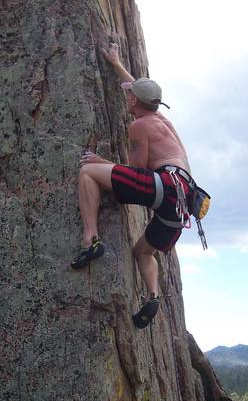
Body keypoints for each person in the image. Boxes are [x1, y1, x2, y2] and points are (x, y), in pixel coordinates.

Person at [71, 43, 194, 328]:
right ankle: (152, 296)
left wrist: (102, 161)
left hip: (163, 185)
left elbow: (136, 172)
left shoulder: (138, 127)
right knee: (143, 251)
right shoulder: (161, 118)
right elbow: (140, 91)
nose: (128, 96)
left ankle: (90, 240)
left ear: (135, 103)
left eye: (131, 96)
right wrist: (116, 62)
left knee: (89, 172)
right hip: (183, 198)